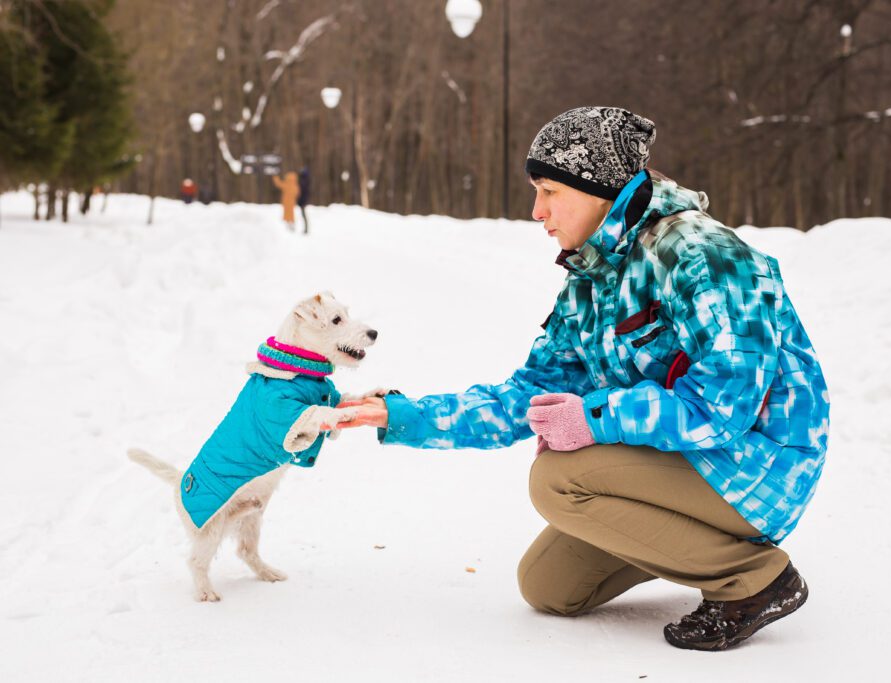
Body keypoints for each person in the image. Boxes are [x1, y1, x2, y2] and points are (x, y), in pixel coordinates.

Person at [338, 106, 830, 651]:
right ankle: (697, 548)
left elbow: (727, 405)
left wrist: (593, 419)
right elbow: (526, 396)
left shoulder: (702, 254)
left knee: (557, 479)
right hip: (690, 462)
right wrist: (402, 414)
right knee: (549, 587)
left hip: (760, 466)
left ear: (597, 187)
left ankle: (756, 580)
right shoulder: (592, 280)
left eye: (549, 191)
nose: (536, 211)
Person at [298, 166, 311, 234]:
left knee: (304, 215)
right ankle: (305, 229)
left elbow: (303, 192)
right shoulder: (305, 180)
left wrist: (301, 201)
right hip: (303, 201)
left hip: (303, 201)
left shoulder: (304, 181)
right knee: (303, 215)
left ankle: (306, 229)